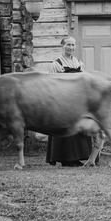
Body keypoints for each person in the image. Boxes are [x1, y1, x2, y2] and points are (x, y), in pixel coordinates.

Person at [46, 36, 93, 167]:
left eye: (73, 45)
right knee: (65, 129)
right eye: (68, 45)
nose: (71, 48)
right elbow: (51, 84)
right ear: (63, 46)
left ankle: (78, 157)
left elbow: (84, 82)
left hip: (77, 101)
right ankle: (66, 158)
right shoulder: (56, 64)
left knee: (78, 128)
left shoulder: (79, 63)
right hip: (62, 101)